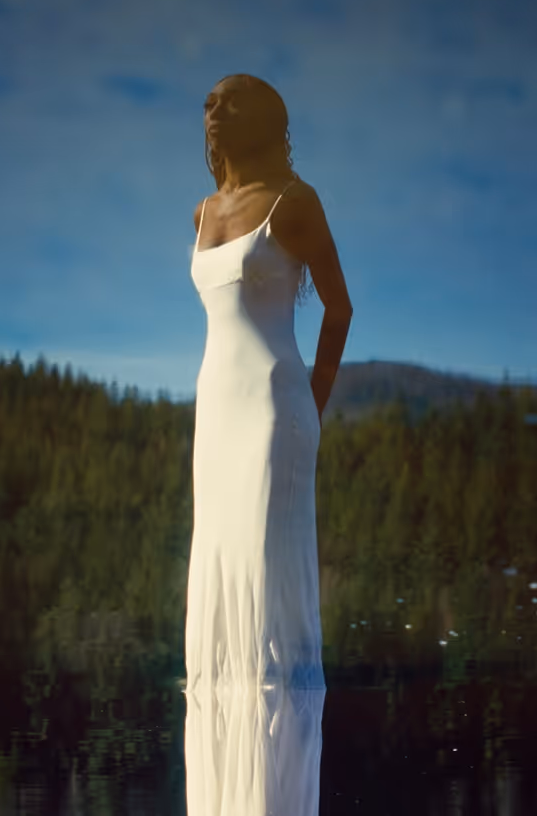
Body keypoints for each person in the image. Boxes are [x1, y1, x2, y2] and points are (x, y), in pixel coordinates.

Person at [184, 73, 352, 691]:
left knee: (262, 558)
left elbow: (339, 308)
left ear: (262, 118)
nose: (214, 110)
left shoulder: (296, 201)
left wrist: (312, 405)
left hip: (276, 410)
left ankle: (275, 746)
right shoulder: (201, 213)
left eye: (229, 102)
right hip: (216, 410)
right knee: (220, 555)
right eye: (209, 103)